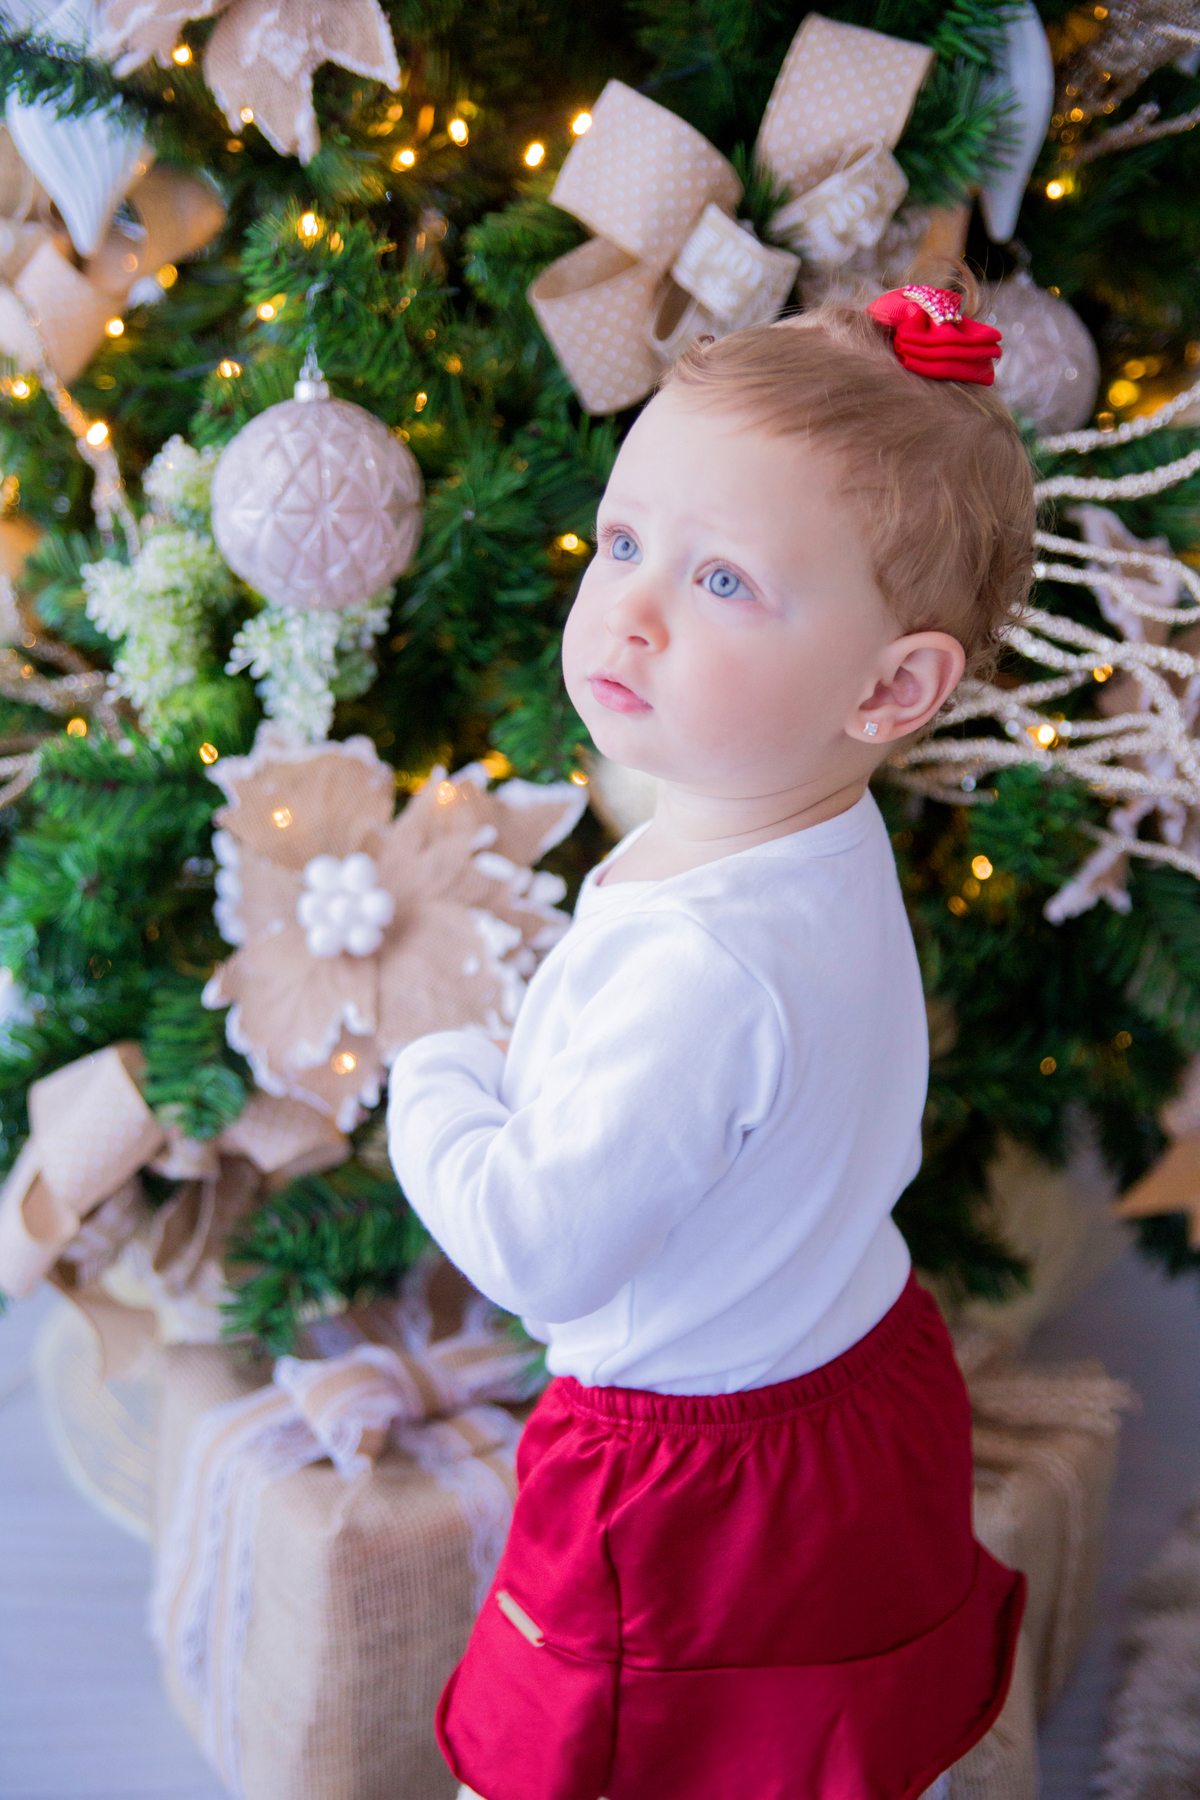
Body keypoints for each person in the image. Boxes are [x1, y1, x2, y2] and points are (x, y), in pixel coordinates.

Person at [388, 280, 1035, 1800]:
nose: (633, 605)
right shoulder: (805, 840)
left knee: (597, 1754)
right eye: (624, 541)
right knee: (817, 1746)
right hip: (862, 1377)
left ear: (891, 686)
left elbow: (540, 1248)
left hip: (691, 1481)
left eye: (726, 580)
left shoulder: (703, 963)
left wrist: (434, 1067)